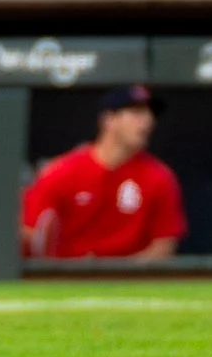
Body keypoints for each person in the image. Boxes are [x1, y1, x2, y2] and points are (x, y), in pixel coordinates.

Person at [22, 84, 182, 258]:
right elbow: (32, 232)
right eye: (137, 113)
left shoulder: (159, 176)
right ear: (109, 119)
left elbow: (164, 245)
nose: (148, 121)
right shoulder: (63, 171)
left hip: (130, 280)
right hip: (68, 278)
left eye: (150, 114)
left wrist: (118, 274)